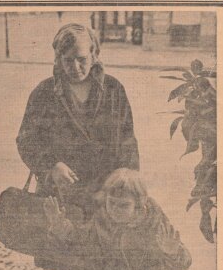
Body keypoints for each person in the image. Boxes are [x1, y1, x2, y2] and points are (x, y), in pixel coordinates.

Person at [17, 23, 139, 216]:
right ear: (58, 59)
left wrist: (127, 185)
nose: (75, 67)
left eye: (81, 59)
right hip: (60, 197)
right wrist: (52, 166)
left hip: (106, 198)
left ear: (94, 54)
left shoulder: (114, 90)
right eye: (67, 60)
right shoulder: (44, 93)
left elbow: (128, 142)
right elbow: (26, 140)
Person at [43, 168, 192, 270]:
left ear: (139, 206)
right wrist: (60, 228)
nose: (114, 210)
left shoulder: (156, 224)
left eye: (123, 205)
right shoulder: (101, 219)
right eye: (111, 202)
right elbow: (79, 247)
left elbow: (182, 266)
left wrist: (172, 252)